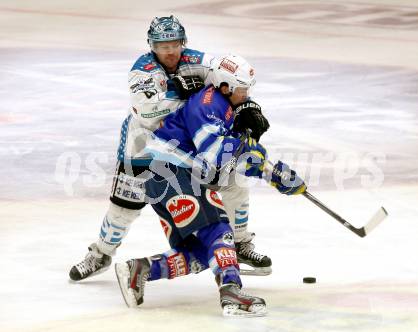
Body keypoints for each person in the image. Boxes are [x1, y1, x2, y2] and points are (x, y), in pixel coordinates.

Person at [69, 15, 271, 282]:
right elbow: (149, 111)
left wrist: (248, 106)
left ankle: (241, 243)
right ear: (152, 46)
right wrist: (188, 94)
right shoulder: (141, 70)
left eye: (175, 43)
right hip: (141, 148)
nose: (170, 50)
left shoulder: (196, 60)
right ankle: (101, 254)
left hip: (185, 149)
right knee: (123, 208)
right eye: (163, 45)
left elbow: (230, 79)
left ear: (182, 42)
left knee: (235, 182)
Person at [115, 54, 306, 317]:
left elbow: (233, 153)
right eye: (242, 89)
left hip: (165, 176)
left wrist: (274, 172)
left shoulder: (222, 104)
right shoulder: (207, 105)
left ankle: (142, 269)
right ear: (226, 86)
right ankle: (231, 292)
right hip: (170, 172)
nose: (246, 94)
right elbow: (217, 155)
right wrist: (260, 162)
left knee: (205, 252)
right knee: (219, 231)